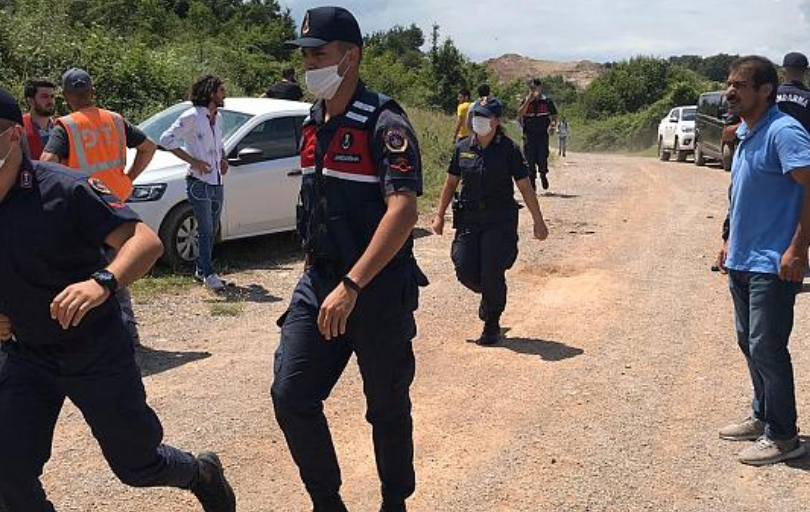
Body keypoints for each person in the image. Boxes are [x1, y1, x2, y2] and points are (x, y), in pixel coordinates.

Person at [0, 88, 236, 512]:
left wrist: (102, 282)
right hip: (26, 355)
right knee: (7, 472)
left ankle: (201, 472)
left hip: (94, 349)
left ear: (15, 135)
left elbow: (144, 243)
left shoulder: (63, 188)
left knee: (137, 465)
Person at [270, 7, 428, 512]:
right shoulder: (312, 123)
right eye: (305, 55)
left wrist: (354, 284)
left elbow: (403, 209)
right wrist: (327, 279)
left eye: (319, 54)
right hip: (320, 281)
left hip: (375, 289)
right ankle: (327, 502)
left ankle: (393, 500)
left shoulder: (384, 122)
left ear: (350, 56)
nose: (309, 64)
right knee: (290, 394)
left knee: (386, 406)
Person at [715, 56, 810, 466]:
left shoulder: (784, 132)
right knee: (748, 343)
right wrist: (726, 238)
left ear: (766, 89)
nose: (730, 91)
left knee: (767, 347)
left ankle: (785, 436)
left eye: (740, 85)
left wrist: (799, 248)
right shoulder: (749, 133)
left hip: (773, 262)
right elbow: (742, 193)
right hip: (742, 257)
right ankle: (763, 415)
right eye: (730, 83)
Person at [41, 68, 156, 346]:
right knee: (117, 271)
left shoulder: (66, 125)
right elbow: (148, 147)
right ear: (92, 92)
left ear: (67, 97)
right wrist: (127, 178)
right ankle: (128, 334)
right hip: (116, 207)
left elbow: (45, 163)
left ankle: (88, 337)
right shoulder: (115, 120)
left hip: (81, 212)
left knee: (83, 272)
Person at [432, 97, 549, 345]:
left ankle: (491, 322)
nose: (478, 120)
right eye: (476, 115)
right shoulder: (463, 147)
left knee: (492, 271)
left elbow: (525, 187)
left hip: (499, 221)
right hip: (469, 220)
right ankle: (490, 294)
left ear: (496, 121)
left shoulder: (509, 150)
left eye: (484, 116)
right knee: (464, 269)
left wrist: (538, 220)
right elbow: (451, 182)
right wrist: (439, 214)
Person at [159, 75, 229, 292]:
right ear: (210, 93)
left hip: (216, 181)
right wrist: (194, 161)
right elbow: (165, 139)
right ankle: (208, 273)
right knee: (206, 228)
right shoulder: (192, 116)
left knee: (212, 228)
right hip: (198, 182)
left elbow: (220, 143)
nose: (224, 94)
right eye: (221, 90)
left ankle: (202, 268)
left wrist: (223, 158)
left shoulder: (218, 117)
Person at [517, 78, 558, 190]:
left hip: (542, 134)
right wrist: (528, 101)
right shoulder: (525, 100)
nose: (533, 90)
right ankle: (532, 181)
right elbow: (519, 114)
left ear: (540, 88)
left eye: (535, 88)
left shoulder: (547, 101)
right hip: (529, 134)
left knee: (542, 157)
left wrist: (553, 126)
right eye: (531, 88)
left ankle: (543, 174)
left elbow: (554, 115)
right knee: (529, 159)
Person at [22, 78, 56, 160]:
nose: (50, 101)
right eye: (44, 97)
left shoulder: (61, 126)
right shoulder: (19, 128)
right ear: (31, 101)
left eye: (52, 96)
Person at [776, 52, 810, 133]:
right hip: (803, 141)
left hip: (773, 141)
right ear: (806, 71)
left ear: (783, 70)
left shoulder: (770, 94)